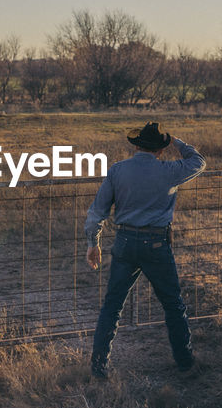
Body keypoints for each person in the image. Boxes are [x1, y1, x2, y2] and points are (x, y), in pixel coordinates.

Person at [84, 122, 206, 379]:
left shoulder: (117, 170)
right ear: (160, 150)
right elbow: (198, 162)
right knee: (173, 305)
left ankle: (98, 367)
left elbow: (98, 211)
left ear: (137, 145)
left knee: (112, 307)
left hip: (125, 243)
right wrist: (178, 142)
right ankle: (185, 363)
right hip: (157, 244)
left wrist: (92, 242)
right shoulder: (170, 170)